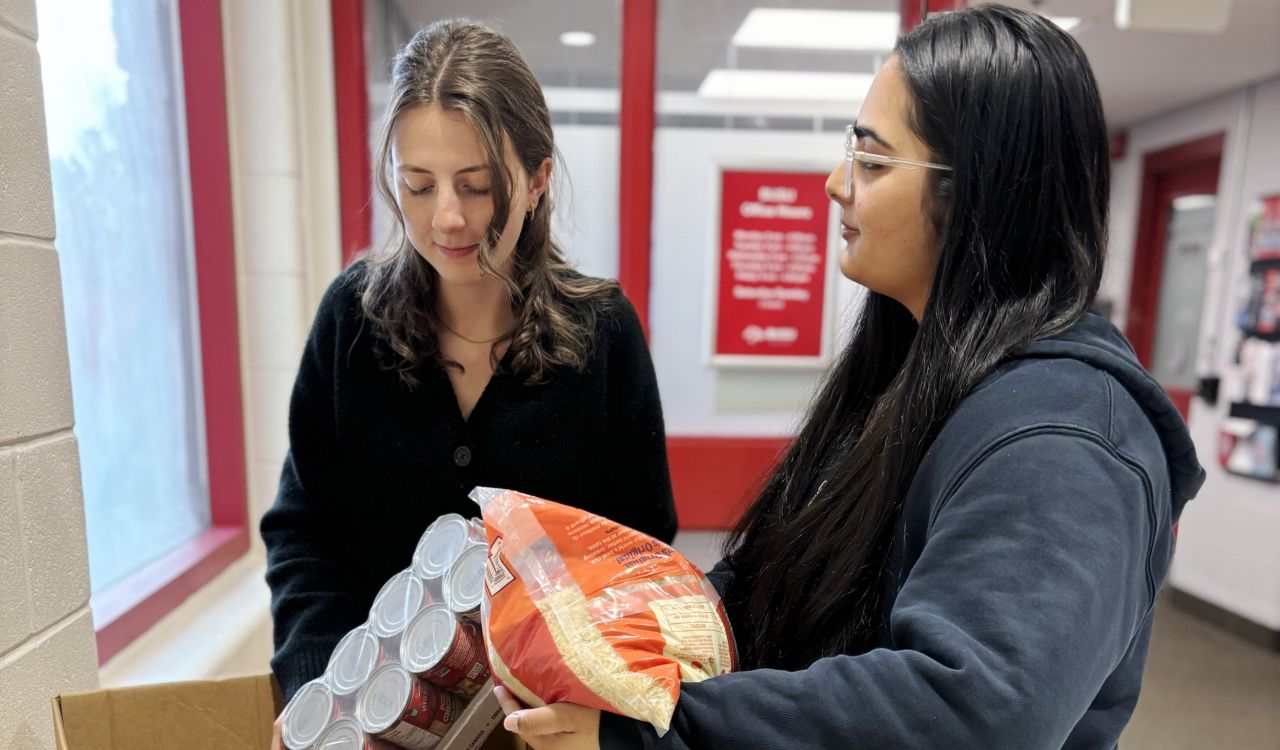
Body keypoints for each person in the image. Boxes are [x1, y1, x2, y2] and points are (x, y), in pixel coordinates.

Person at [495, 6, 1204, 749]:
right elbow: (779, 579)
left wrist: (667, 734)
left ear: (975, 191)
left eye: (872, 161)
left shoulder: (1067, 439)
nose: (838, 183)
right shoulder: (915, 367)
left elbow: (970, 711)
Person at [260, 17, 677, 713]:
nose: (446, 218)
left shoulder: (603, 335)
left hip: (547, 720)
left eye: (477, 185)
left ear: (539, 178)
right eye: (418, 186)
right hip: (373, 716)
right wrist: (317, 694)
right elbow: (304, 537)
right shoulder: (350, 322)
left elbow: (639, 556)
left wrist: (594, 697)